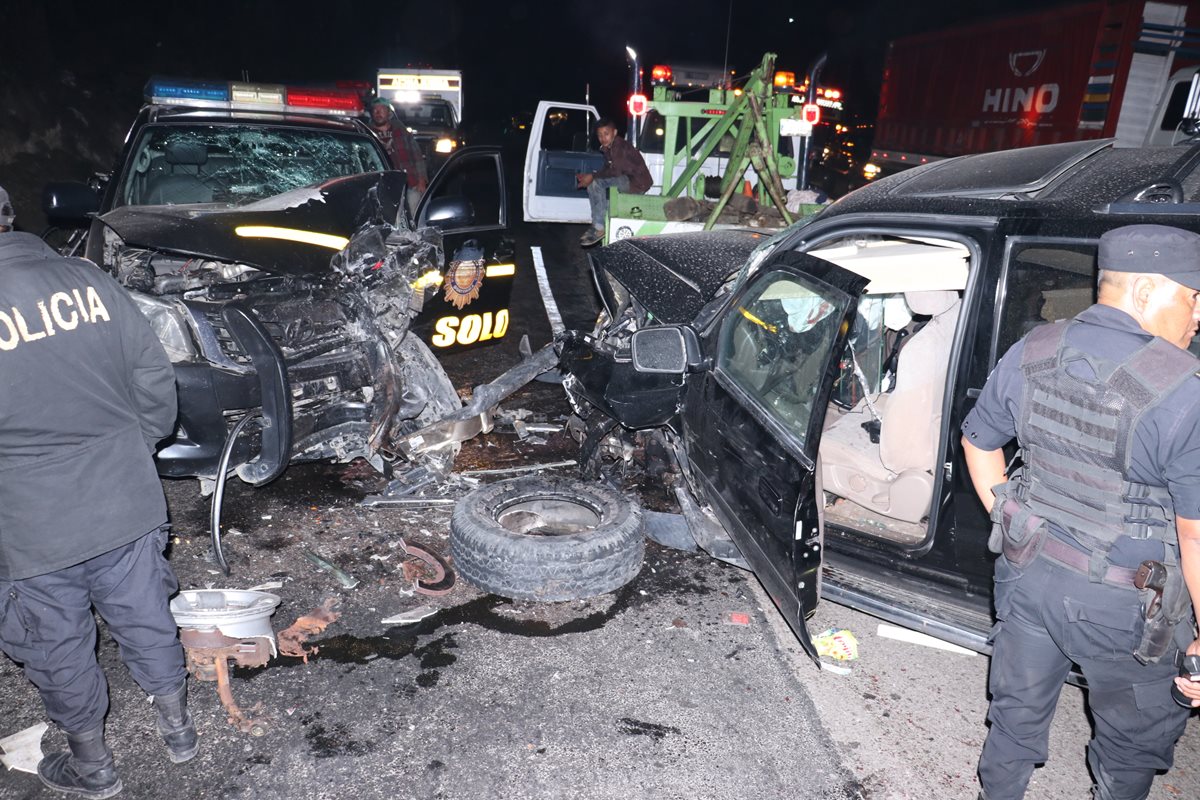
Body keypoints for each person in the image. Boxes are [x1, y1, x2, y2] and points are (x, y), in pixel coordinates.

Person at [960, 224, 1200, 800]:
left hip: (1026, 575)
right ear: (1146, 293)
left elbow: (978, 441)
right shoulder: (1187, 391)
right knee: (1128, 746)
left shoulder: (1035, 348)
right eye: (1194, 297)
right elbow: (1194, 536)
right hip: (1126, 606)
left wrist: (1014, 518)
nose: (1198, 315)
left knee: (1015, 717)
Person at [0, 185, 195, 798]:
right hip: (126, 500)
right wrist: (134, 446)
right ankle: (179, 730)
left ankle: (95, 768)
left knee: (53, 641)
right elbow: (152, 374)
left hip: (32, 525)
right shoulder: (89, 282)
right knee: (144, 615)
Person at [575, 118, 652, 247]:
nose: (603, 138)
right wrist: (589, 177)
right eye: (599, 135)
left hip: (636, 183)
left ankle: (599, 227)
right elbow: (607, 169)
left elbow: (616, 172)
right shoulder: (608, 148)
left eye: (606, 134)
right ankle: (598, 224)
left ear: (614, 132)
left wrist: (592, 176)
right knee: (593, 184)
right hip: (627, 180)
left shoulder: (619, 146)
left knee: (596, 183)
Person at [369, 98, 428, 210]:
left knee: (415, 211)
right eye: (375, 110)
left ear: (389, 113)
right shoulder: (367, 134)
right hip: (381, 185)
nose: (378, 113)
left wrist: (422, 180)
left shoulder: (401, 131)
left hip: (409, 182)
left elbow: (417, 156)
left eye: (381, 109)